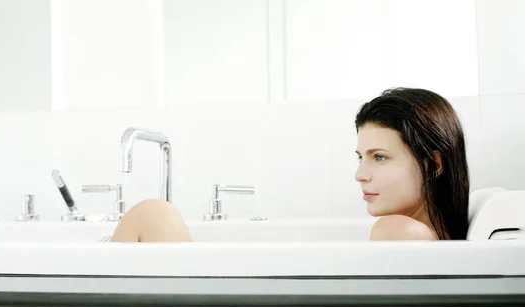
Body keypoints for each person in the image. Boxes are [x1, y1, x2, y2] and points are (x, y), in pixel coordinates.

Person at [109, 87, 470, 242]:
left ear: (433, 163)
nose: (361, 174)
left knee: (154, 215)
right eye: (361, 157)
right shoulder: (428, 235)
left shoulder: (402, 232)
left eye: (380, 157)